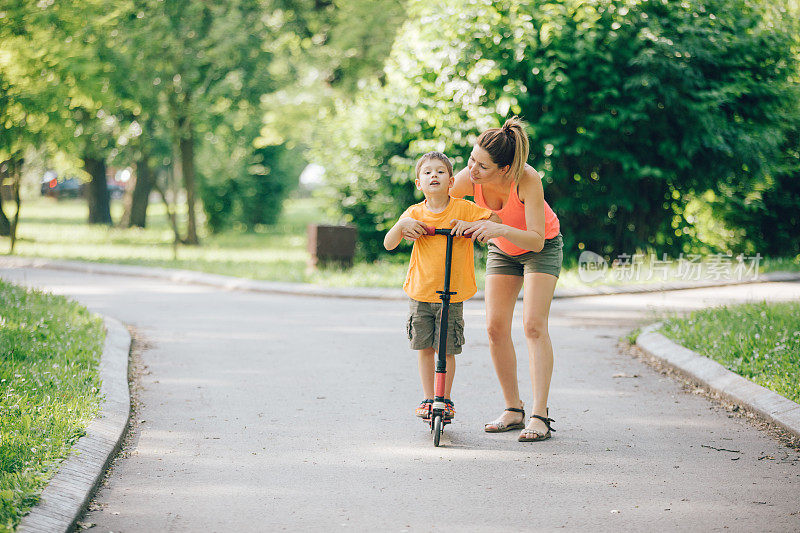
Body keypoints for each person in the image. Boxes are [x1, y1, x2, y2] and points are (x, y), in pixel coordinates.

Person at [449, 116, 562, 442]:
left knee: (533, 325)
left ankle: (540, 416)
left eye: (482, 166)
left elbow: (537, 239)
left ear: (505, 169)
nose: (472, 170)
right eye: (472, 159)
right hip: (503, 250)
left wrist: (497, 228)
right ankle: (513, 409)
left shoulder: (527, 179)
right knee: (495, 327)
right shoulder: (469, 178)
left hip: (540, 248)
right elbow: (437, 200)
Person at [384, 151, 499, 422]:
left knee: (446, 349)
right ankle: (428, 397)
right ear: (418, 184)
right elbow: (389, 244)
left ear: (451, 182)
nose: (433, 175)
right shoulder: (413, 213)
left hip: (451, 294)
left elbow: (496, 222)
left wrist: (473, 226)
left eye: (440, 171)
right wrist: (402, 226)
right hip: (421, 292)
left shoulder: (463, 208)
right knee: (424, 347)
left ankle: (443, 398)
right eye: (427, 172)